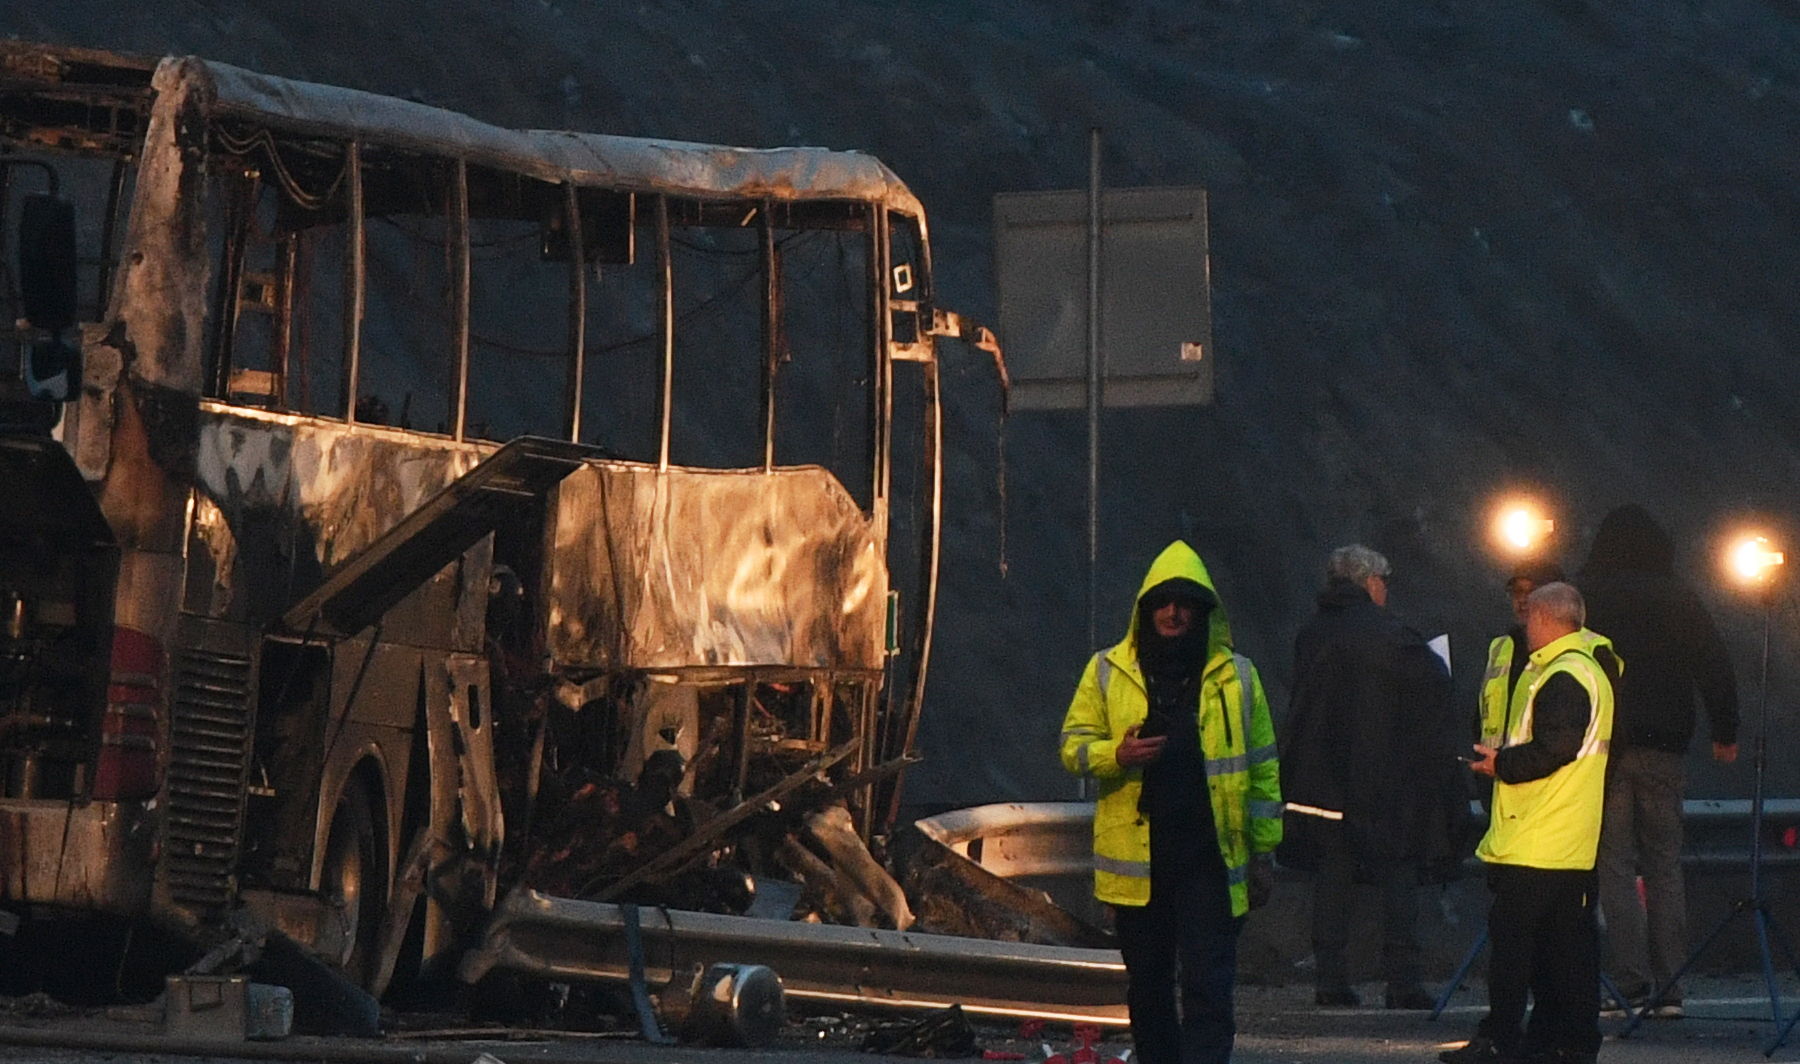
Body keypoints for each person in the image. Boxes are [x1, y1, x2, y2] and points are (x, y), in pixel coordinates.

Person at [1059, 540, 1282, 1064]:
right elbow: (1072, 747)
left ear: (1204, 611)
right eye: (1163, 601)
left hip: (1211, 861)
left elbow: (1263, 772)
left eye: (1185, 602)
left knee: (1209, 986)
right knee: (1149, 988)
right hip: (1140, 865)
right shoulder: (1107, 670)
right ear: (1146, 608)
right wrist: (1117, 754)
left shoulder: (1238, 677)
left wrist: (1263, 853)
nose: (1174, 612)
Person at [1278, 544, 1460, 1010]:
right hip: (1386, 778)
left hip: (1323, 782)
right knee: (1399, 873)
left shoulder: (1311, 634)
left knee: (1333, 876)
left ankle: (1330, 979)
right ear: (1370, 581)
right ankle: (1402, 982)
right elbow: (1433, 690)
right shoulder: (1393, 636)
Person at [1444, 582, 1619, 1064]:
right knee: (1566, 952)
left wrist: (1499, 764)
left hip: (1538, 835)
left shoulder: (1562, 674)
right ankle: (1561, 1042)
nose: (1525, 627)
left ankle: (1503, 1038)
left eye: (1530, 618)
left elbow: (1554, 748)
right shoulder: (1587, 666)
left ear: (1543, 618)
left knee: (1516, 950)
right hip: (1567, 837)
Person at [1577, 504, 1739, 1019]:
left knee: (1615, 865)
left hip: (1606, 748)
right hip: (1665, 748)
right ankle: (1671, 988)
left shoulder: (1588, 595)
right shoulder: (1677, 596)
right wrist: (1725, 731)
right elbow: (1713, 661)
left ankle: (1630, 983)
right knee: (1665, 865)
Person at [1476, 560, 1568, 807]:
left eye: (1533, 592)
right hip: (1498, 786)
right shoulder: (1501, 648)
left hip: (1548, 792)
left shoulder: (1572, 650)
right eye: (1517, 592)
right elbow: (1482, 719)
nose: (1523, 600)